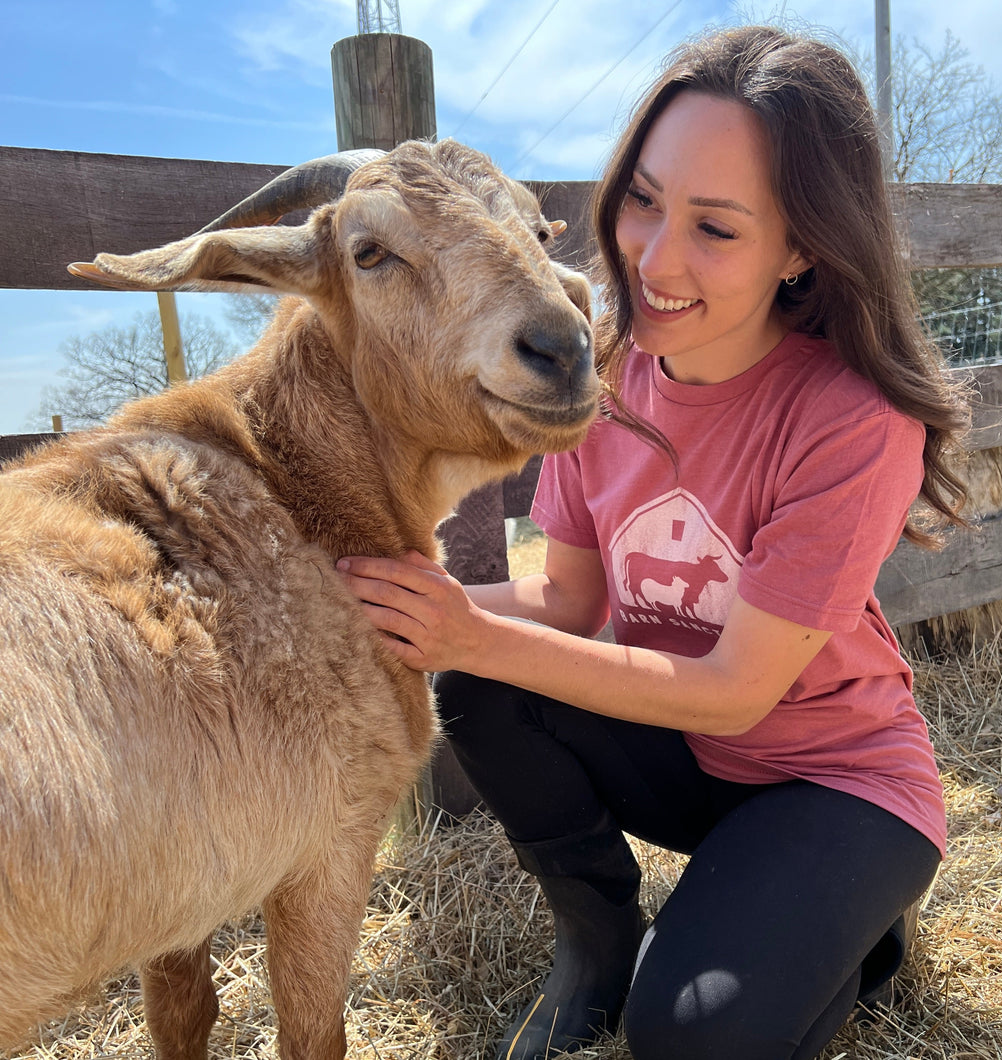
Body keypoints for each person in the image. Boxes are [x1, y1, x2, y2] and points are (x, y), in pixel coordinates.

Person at [338, 24, 970, 1060]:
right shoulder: (600, 374)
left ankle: (843, 924)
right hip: (686, 759)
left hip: (834, 781)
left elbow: (732, 688)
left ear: (802, 246)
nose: (653, 257)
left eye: (715, 229)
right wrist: (388, 602)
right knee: (481, 683)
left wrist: (468, 631)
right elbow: (565, 608)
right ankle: (596, 934)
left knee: (687, 1039)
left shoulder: (851, 419)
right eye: (643, 198)